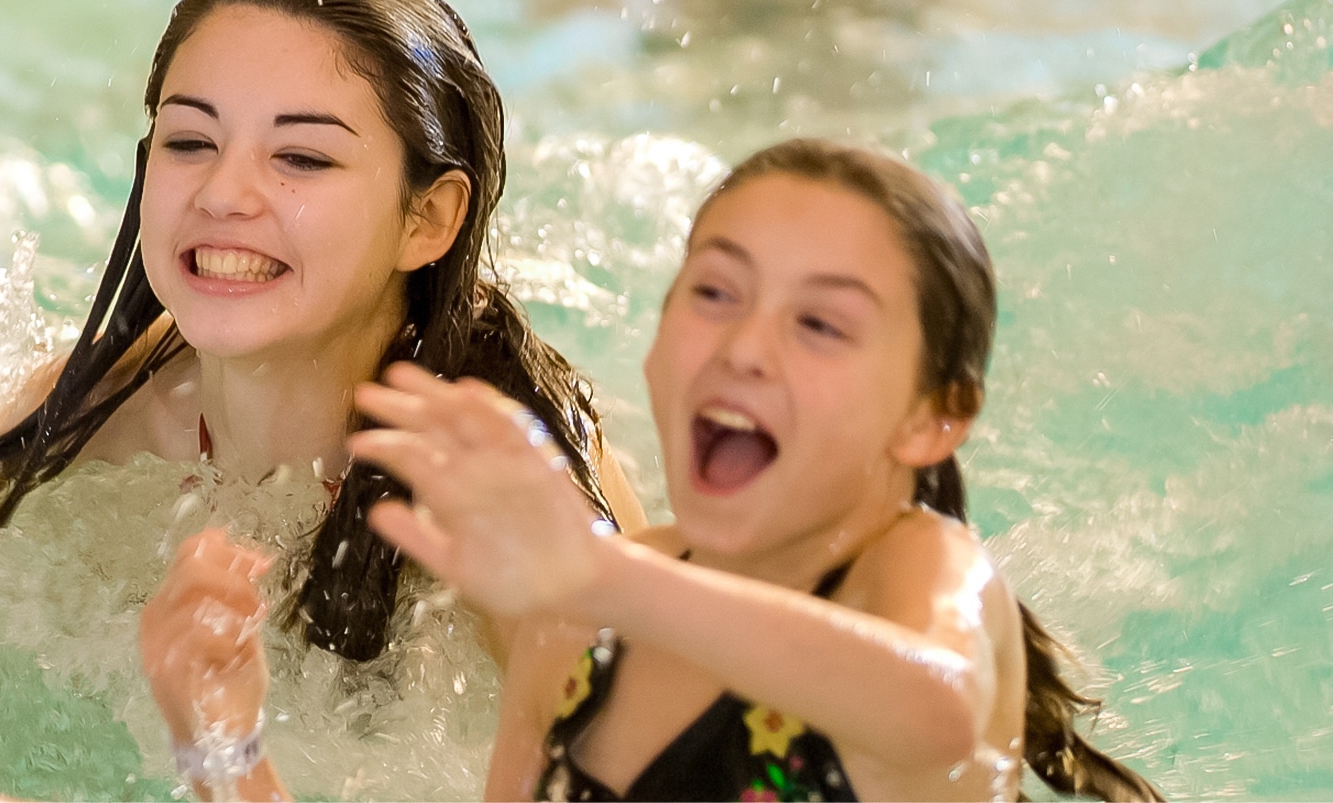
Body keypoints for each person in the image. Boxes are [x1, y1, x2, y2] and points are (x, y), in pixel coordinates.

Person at [0, 0, 641, 797]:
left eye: (302, 157)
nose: (223, 193)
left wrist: (224, 757)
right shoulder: (92, 411)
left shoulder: (508, 510)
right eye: (191, 140)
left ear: (429, 219)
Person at [350, 139, 1163, 800]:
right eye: (714, 291)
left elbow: (938, 707)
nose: (744, 347)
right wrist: (233, 750)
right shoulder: (580, 626)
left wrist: (602, 575)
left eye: (820, 322)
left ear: (933, 416)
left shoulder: (919, 575)